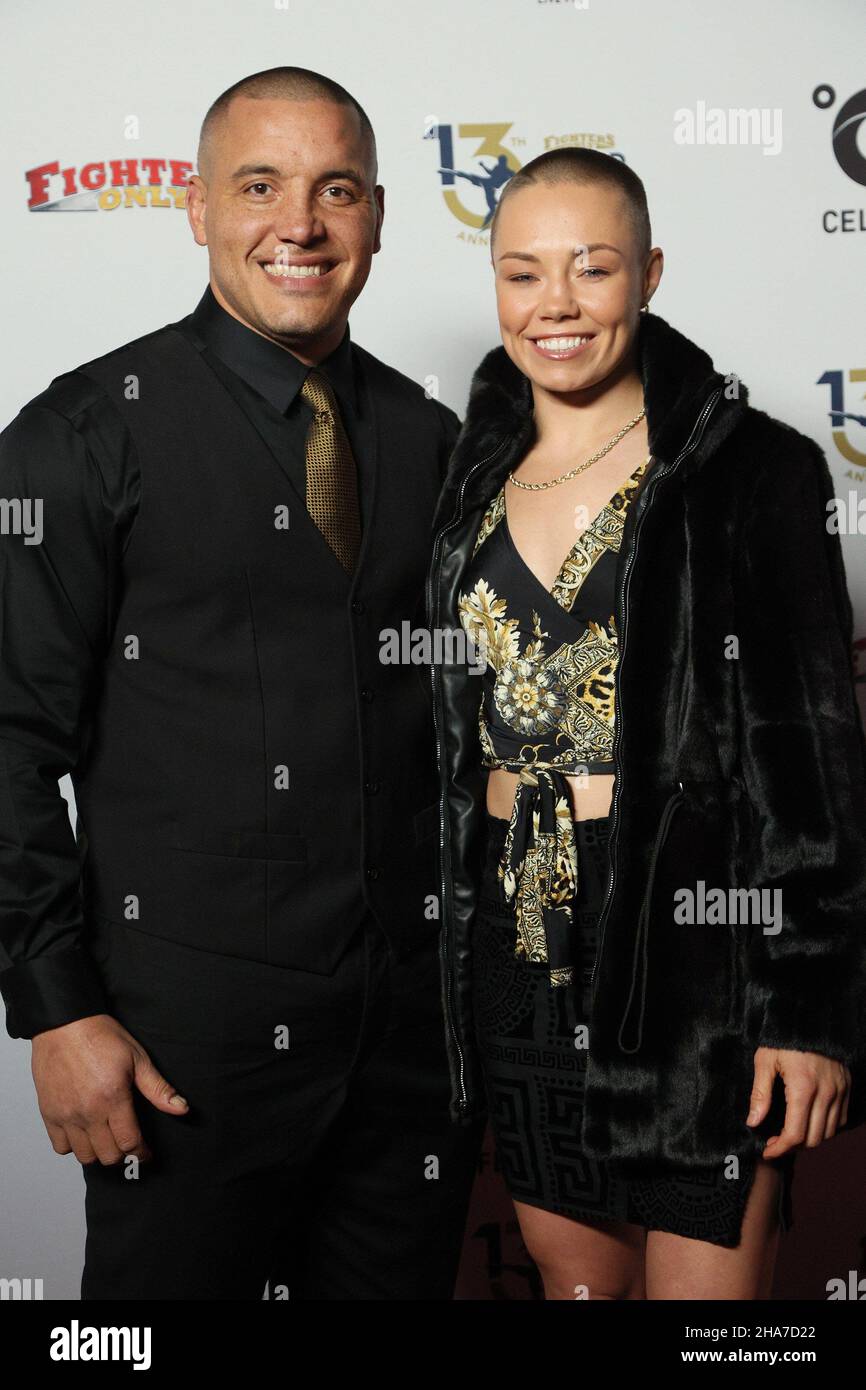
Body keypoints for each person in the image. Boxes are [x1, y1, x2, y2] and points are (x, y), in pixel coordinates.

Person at [0, 66, 484, 1300]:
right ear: (198, 209)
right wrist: (54, 1008)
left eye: (334, 190)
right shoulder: (81, 435)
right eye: (258, 186)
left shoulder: (430, 443)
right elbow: (7, 739)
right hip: (184, 1051)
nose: (299, 224)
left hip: (412, 1055)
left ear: (376, 212)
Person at [427, 147, 866, 1299]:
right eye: (521, 274)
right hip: (516, 947)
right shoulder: (462, 472)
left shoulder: (749, 471)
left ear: (650, 272)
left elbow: (809, 759)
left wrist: (809, 1011)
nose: (554, 305)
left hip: (692, 956)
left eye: (593, 268)